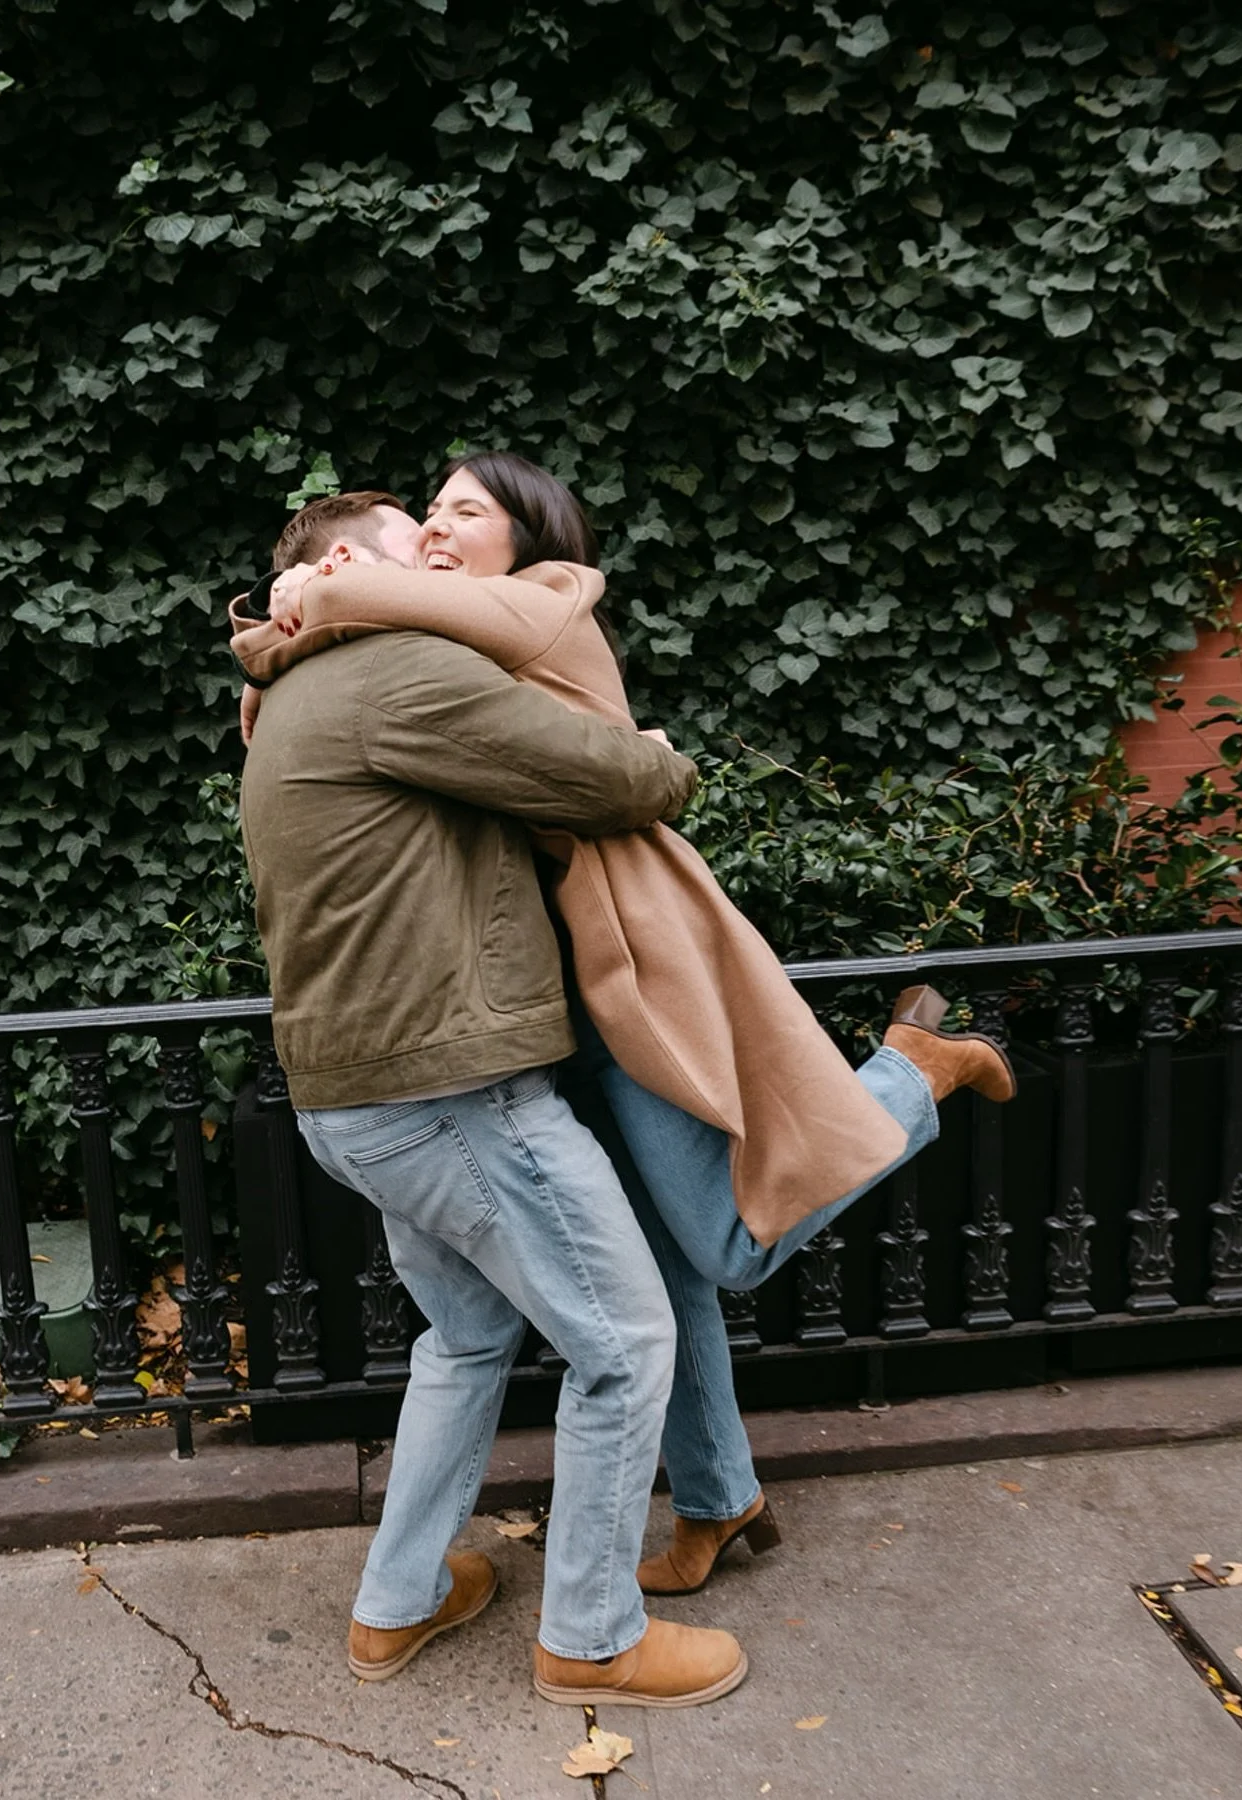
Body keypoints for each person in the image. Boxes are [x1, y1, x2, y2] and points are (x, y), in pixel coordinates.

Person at [234, 456, 1016, 1596]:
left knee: (723, 1245)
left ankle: (908, 1074)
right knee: (655, 1269)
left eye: (463, 512)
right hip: (535, 1005)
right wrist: (280, 645)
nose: (440, 532)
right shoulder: (428, 642)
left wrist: (310, 600)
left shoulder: (541, 598)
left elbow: (613, 772)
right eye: (429, 515)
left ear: (525, 537)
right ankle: (717, 1495)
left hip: (621, 971)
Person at [238, 488, 749, 1707]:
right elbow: (615, 780)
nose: (433, 554)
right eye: (413, 538)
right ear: (346, 563)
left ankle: (397, 1603)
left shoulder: (293, 689)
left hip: (354, 1099)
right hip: (454, 1096)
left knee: (466, 1340)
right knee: (626, 1347)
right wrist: (663, 752)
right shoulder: (397, 671)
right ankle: (592, 1638)